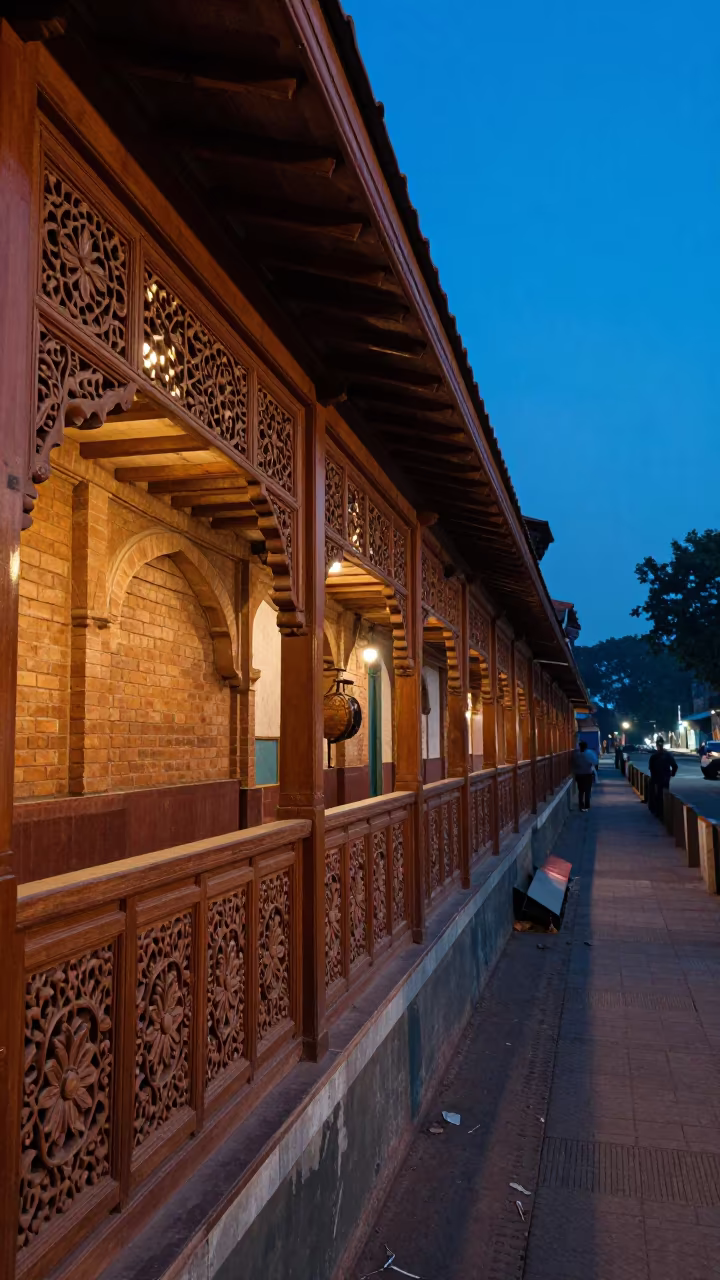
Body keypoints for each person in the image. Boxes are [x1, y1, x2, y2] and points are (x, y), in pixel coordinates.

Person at [647, 737, 678, 817]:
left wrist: (653, 777)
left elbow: (651, 768)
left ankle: (656, 810)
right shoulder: (667, 755)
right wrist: (672, 774)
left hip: (657, 778)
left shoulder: (654, 756)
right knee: (663, 795)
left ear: (657, 745)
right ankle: (663, 812)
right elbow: (674, 766)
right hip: (665, 778)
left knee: (656, 795)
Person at [571, 740, 595, 812]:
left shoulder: (576, 755)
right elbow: (593, 763)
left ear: (580, 747)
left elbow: (573, 764)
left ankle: (581, 805)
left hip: (579, 775)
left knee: (581, 791)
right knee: (588, 790)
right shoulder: (589, 755)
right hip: (588, 774)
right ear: (586, 747)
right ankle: (587, 805)